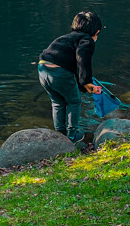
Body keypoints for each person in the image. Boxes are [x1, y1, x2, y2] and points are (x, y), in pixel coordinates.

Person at [38, 11, 103, 145]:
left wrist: (83, 84)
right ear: (97, 32)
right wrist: (87, 82)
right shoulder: (87, 40)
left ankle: (59, 134)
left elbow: (73, 67)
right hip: (58, 72)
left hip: (42, 68)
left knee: (57, 103)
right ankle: (72, 135)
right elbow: (82, 60)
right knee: (74, 102)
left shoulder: (66, 38)